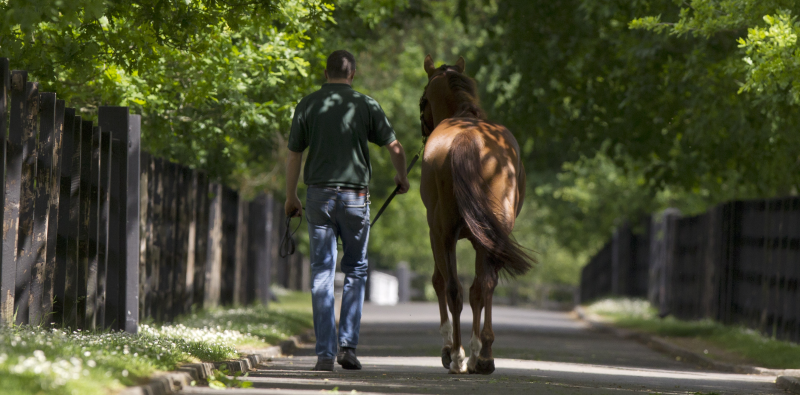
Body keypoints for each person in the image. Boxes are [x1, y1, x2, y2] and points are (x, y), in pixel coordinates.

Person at [285, 50, 410, 372]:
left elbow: (294, 155)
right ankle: (347, 348)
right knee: (355, 270)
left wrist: (290, 196)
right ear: (352, 74)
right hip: (356, 198)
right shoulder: (366, 105)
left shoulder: (308, 104)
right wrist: (402, 176)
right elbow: (395, 147)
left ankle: (325, 354)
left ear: (325, 73)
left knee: (322, 273)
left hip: (319, 196)